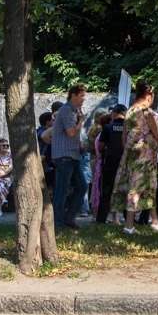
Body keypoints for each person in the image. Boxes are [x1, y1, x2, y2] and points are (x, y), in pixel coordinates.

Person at [112, 80, 158, 234]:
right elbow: (157, 135)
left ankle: (155, 222)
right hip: (146, 156)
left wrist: (128, 152)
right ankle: (129, 226)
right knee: (137, 188)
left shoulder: (130, 111)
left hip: (133, 154)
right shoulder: (147, 113)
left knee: (148, 188)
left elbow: (124, 137)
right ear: (149, 95)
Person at [51, 84, 88, 229]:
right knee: (62, 190)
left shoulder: (75, 111)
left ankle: (69, 218)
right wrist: (81, 121)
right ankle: (58, 222)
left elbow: (73, 136)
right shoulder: (66, 110)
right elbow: (71, 132)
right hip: (64, 156)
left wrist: (80, 146)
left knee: (82, 186)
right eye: (82, 96)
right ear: (73, 95)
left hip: (74, 155)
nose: (84, 99)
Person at [96, 104, 127, 224]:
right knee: (126, 189)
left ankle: (101, 219)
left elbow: (101, 146)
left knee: (106, 190)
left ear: (114, 113)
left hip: (110, 162)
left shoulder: (108, 127)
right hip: (125, 162)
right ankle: (129, 218)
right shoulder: (129, 127)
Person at [91, 113, 112, 216]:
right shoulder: (104, 134)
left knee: (97, 189)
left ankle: (97, 214)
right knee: (100, 190)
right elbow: (100, 149)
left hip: (99, 162)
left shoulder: (100, 133)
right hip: (102, 163)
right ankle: (98, 214)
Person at [37, 112, 55, 188]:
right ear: (48, 122)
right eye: (52, 120)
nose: (54, 122)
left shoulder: (38, 131)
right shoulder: (44, 133)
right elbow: (46, 145)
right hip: (46, 166)